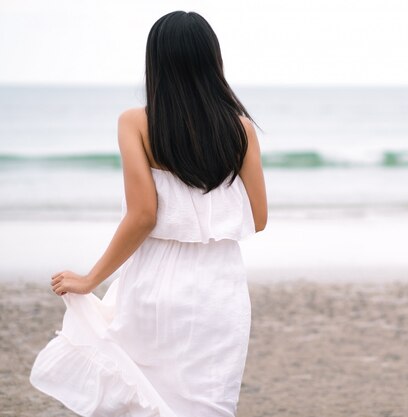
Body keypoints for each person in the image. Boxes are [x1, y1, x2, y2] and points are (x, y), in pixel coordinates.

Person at [29, 10, 267, 417]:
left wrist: (91, 279)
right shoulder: (240, 128)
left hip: (157, 284)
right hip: (220, 290)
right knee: (209, 405)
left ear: (155, 62)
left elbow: (143, 215)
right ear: (213, 61)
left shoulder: (135, 122)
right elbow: (258, 218)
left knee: (144, 399)